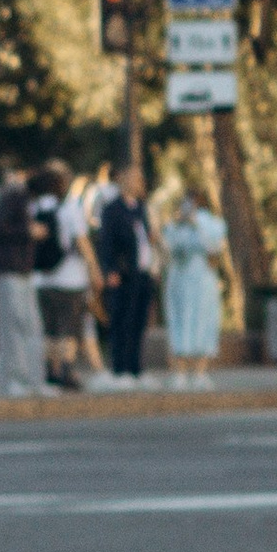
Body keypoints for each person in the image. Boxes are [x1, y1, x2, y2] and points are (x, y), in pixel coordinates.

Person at [0, 165, 47, 398]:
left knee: (27, 326)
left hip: (20, 269)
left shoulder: (20, 198)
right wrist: (28, 231)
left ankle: (31, 379)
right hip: (11, 269)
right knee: (14, 326)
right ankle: (15, 380)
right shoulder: (15, 196)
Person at [158, 183, 229, 386]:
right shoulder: (175, 225)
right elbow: (168, 249)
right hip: (180, 278)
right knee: (180, 320)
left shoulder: (212, 223)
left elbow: (214, 248)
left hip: (203, 279)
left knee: (203, 321)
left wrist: (196, 224)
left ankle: (199, 372)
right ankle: (179, 371)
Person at [32, 166, 95, 390]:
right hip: (70, 278)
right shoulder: (69, 209)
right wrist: (94, 269)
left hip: (41, 279)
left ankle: (52, 368)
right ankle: (67, 368)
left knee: (49, 328)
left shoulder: (34, 208)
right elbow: (81, 241)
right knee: (68, 327)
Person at [96, 165, 157, 385]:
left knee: (139, 321)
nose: (140, 183)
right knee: (122, 320)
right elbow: (106, 243)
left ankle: (135, 368)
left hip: (142, 272)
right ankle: (120, 368)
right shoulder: (112, 209)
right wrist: (110, 269)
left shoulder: (140, 208)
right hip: (123, 273)